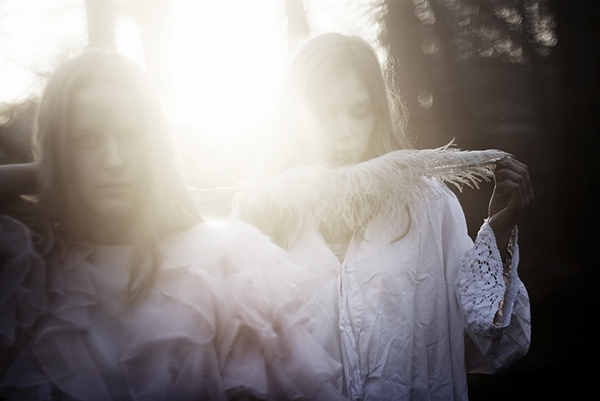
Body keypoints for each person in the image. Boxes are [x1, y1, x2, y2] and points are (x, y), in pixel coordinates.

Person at [0, 51, 347, 401]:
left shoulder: (231, 266)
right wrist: (44, 178)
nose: (113, 160)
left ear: (155, 146)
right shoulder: (26, 278)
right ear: (58, 150)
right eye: (87, 140)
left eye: (130, 136)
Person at [234, 33, 534, 401]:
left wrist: (497, 237)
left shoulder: (426, 205)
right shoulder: (259, 220)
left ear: (378, 112)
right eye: (325, 114)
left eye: (360, 111)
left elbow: (490, 341)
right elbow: (239, 367)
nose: (343, 133)